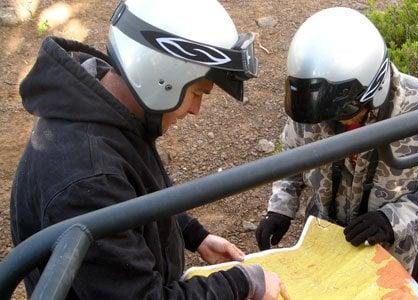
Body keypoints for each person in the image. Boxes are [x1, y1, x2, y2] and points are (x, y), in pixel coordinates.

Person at [10, 0, 285, 299]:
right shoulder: (88, 180)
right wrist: (243, 284)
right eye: (196, 92)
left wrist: (194, 235)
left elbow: (134, 195)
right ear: (162, 77)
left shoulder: (106, 109)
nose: (195, 110)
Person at [255, 7, 418, 272]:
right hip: (323, 249)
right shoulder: (316, 106)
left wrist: (392, 220)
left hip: (394, 261)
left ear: (375, 89)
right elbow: (290, 162)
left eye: (346, 112)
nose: (337, 122)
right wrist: (280, 208)